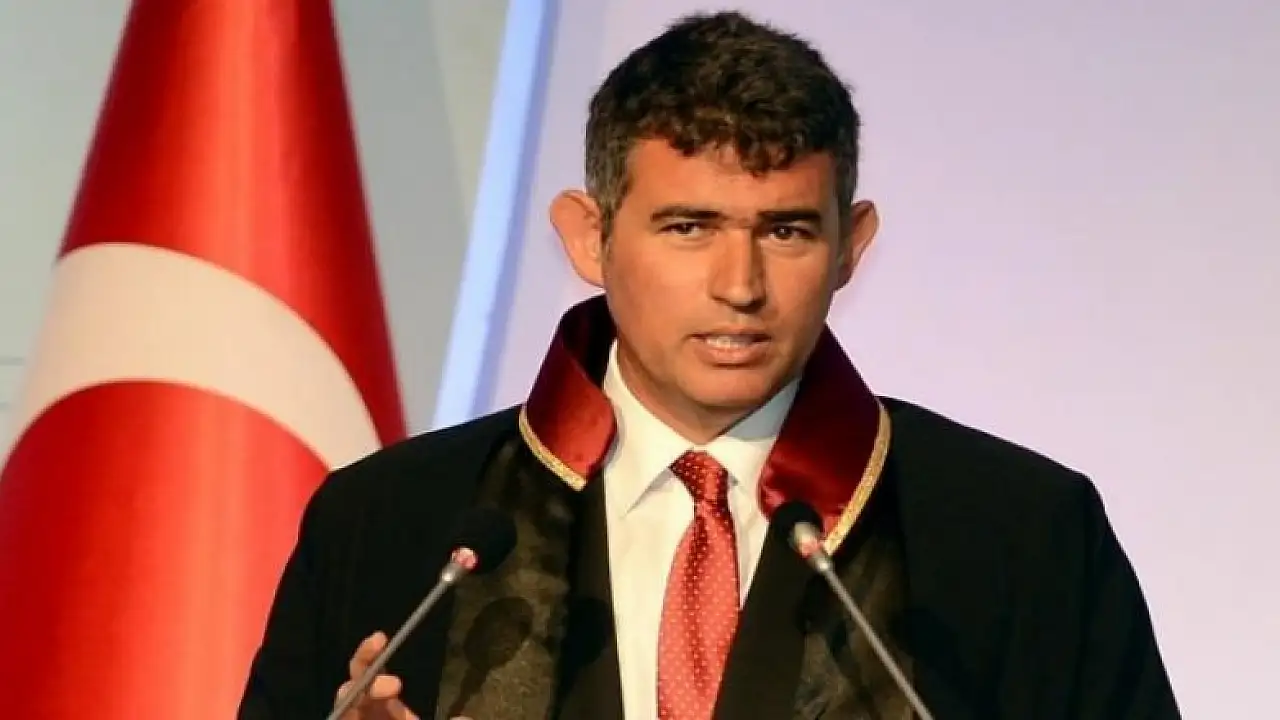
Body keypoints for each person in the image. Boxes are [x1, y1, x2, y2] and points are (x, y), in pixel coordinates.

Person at [237, 10, 1181, 720]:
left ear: (852, 246)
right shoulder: (394, 530)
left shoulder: (1020, 535)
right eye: (689, 228)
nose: (741, 285)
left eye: (787, 231)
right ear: (589, 236)